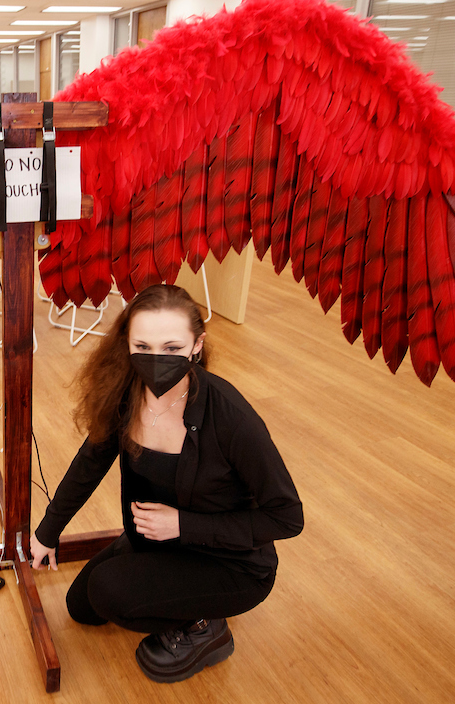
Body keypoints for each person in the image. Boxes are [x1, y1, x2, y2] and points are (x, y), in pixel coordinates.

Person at [29, 284, 303, 684]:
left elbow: (287, 517)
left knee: (108, 591)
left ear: (197, 345)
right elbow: (89, 464)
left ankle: (205, 626)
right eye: (143, 345)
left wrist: (182, 525)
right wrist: (47, 533)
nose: (157, 360)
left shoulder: (231, 417)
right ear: (127, 344)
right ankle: (154, 568)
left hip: (231, 561)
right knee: (80, 606)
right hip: (158, 539)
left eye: (172, 348)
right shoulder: (125, 394)